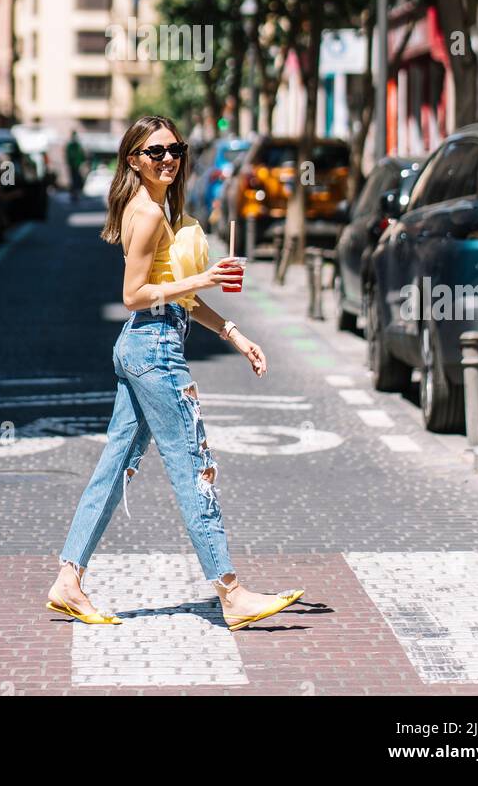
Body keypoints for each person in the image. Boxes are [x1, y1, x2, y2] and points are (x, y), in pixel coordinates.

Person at [46, 113, 304, 631]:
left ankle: (68, 581)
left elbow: (181, 298)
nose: (168, 159)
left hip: (150, 343)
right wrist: (205, 275)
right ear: (134, 160)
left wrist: (234, 332)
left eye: (175, 150)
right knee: (194, 468)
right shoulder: (147, 214)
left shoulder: (161, 208)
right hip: (155, 349)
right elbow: (132, 295)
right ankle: (231, 594)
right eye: (155, 152)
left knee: (114, 468)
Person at [65, 129, 85, 201]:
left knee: (76, 180)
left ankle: (76, 193)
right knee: (74, 180)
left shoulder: (77, 146)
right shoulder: (71, 146)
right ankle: (74, 194)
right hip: (73, 166)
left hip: (77, 165)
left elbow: (81, 155)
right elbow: (68, 155)